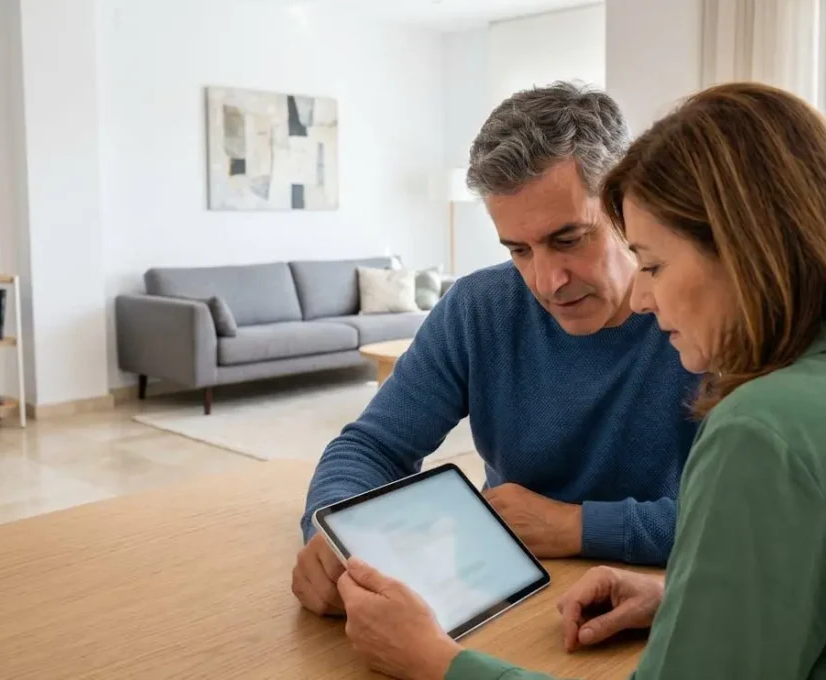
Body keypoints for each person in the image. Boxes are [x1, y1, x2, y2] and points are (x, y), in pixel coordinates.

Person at [331, 82, 826, 680]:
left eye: (651, 263)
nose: (643, 299)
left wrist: (438, 663)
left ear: (744, 249)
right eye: (517, 250)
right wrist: (686, 595)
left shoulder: (767, 426)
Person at [292, 82, 700, 617]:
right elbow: (372, 446)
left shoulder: (700, 317)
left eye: (570, 238)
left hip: (655, 600)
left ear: (628, 205)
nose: (547, 280)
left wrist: (578, 526)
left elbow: (744, 524)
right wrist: (333, 527)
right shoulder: (478, 307)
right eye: (519, 250)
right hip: (501, 591)